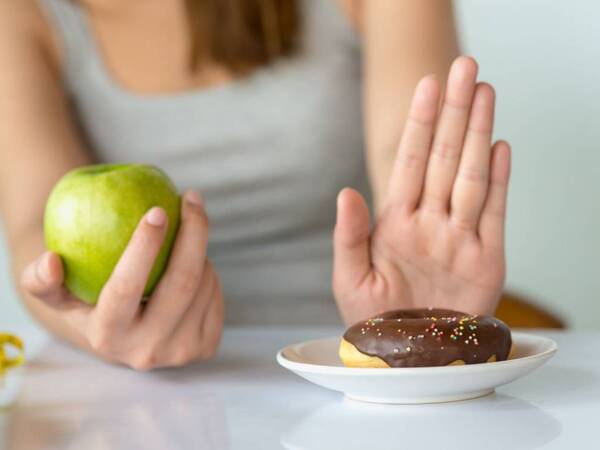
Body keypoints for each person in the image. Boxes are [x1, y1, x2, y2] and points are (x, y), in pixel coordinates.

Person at [0, 0, 510, 370]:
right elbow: (33, 228)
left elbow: (410, 159)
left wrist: (413, 312)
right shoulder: (24, 15)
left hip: (346, 368)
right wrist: (96, 330)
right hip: (124, 396)